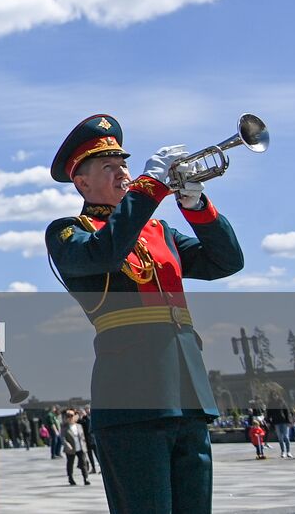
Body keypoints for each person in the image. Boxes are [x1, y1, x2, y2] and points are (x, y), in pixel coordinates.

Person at [45, 114, 244, 514]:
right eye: (109, 167)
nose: (123, 173)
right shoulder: (69, 231)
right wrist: (149, 188)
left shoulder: (160, 231)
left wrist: (197, 204)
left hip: (188, 393)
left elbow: (226, 262)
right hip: (132, 399)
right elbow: (106, 251)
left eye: (125, 165)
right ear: (81, 182)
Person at [61, 410, 89, 486]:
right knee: (70, 463)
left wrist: (85, 446)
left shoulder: (79, 426)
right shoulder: (64, 427)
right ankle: (70, 478)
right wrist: (67, 445)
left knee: (83, 463)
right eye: (68, 416)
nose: (70, 418)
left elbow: (82, 437)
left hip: (80, 447)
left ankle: (86, 478)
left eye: (71, 416)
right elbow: (63, 438)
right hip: (70, 449)